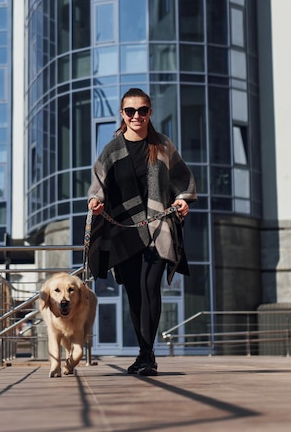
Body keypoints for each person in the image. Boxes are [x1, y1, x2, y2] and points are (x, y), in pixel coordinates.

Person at [87, 88, 197, 376]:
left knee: (150, 288)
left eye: (143, 111)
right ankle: (143, 353)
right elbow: (98, 183)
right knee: (134, 295)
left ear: (150, 113)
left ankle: (148, 356)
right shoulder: (113, 149)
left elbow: (182, 179)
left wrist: (182, 199)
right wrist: (95, 201)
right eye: (130, 111)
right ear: (122, 114)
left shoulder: (162, 146)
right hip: (125, 231)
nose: (137, 116)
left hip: (160, 227)